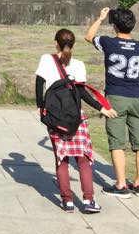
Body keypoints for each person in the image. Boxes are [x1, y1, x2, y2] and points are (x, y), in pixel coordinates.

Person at [36, 29, 116, 213]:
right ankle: (89, 200)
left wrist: (41, 108)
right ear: (73, 44)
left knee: (61, 159)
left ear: (55, 42)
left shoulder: (46, 59)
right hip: (75, 117)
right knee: (83, 159)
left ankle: (67, 201)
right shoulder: (79, 65)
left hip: (55, 116)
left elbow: (39, 84)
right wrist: (101, 107)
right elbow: (81, 92)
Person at [85, 6, 139, 198]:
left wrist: (100, 18)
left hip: (115, 97)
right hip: (137, 97)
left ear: (114, 25)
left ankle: (121, 185)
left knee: (117, 143)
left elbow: (89, 37)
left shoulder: (108, 43)